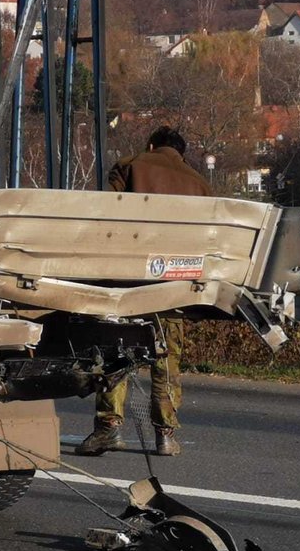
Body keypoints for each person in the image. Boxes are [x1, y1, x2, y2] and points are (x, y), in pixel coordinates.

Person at [75, 126, 211, 458]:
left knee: (116, 350)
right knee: (166, 356)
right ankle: (165, 436)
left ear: (151, 144)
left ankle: (108, 428)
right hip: (175, 283)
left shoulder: (130, 165)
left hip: (129, 278)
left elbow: (107, 218)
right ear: (181, 152)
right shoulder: (199, 183)